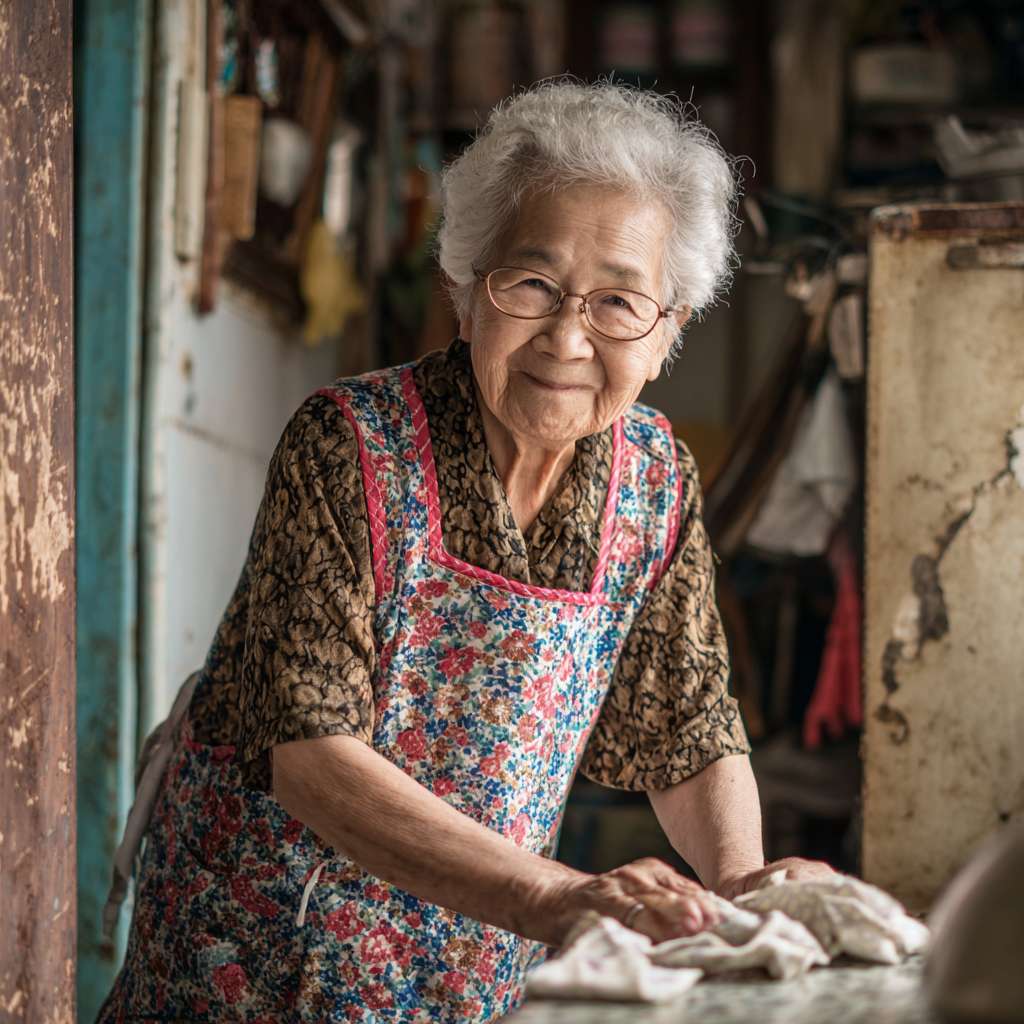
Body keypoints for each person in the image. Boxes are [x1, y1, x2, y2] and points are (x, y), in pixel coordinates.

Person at [97, 79, 834, 1023]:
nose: (568, 337)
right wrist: (559, 897)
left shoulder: (654, 480)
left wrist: (738, 891)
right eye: (531, 285)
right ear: (463, 286)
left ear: (667, 333)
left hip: (462, 964)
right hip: (261, 952)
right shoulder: (349, 442)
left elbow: (685, 725)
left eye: (619, 301)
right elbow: (308, 751)